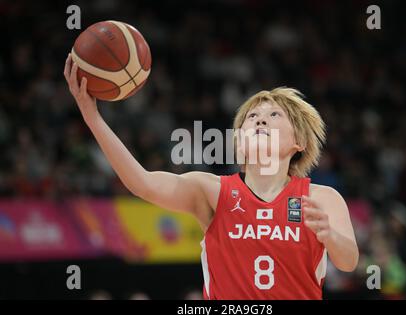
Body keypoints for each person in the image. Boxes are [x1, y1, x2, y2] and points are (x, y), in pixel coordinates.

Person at [64, 54, 358, 300]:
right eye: (252, 118)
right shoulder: (212, 190)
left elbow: (348, 262)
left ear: (300, 143)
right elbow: (142, 183)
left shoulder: (320, 198)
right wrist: (93, 117)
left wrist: (329, 236)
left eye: (274, 115)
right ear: (239, 141)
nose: (260, 120)